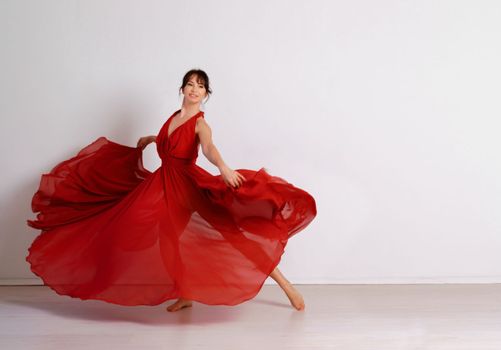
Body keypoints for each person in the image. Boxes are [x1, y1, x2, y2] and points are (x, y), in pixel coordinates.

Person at [26, 68, 317, 313]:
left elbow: (208, 148)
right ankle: (186, 293)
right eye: (190, 84)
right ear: (182, 88)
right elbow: (172, 141)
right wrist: (153, 138)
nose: (194, 89)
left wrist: (224, 167)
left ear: (206, 95)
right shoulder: (174, 116)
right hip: (165, 181)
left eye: (200, 87)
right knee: (167, 238)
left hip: (188, 184)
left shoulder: (201, 123)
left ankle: (287, 287)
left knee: (232, 234)